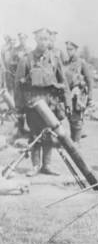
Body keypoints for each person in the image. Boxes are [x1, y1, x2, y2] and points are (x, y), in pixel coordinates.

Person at [14, 28, 71, 176]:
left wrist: (68, 103)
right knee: (35, 135)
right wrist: (19, 107)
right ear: (36, 40)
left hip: (51, 103)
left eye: (46, 39)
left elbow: (63, 82)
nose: (44, 42)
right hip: (33, 103)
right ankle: (35, 166)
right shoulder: (26, 59)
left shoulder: (54, 59)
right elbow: (17, 86)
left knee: (50, 135)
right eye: (41, 39)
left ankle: (47, 165)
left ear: (50, 40)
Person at [64, 41, 93, 143]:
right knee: (70, 118)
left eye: (71, 49)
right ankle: (74, 140)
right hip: (68, 94)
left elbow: (89, 79)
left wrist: (90, 96)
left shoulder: (81, 62)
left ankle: (76, 141)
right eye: (67, 49)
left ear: (76, 50)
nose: (68, 52)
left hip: (78, 95)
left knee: (77, 119)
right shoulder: (66, 63)